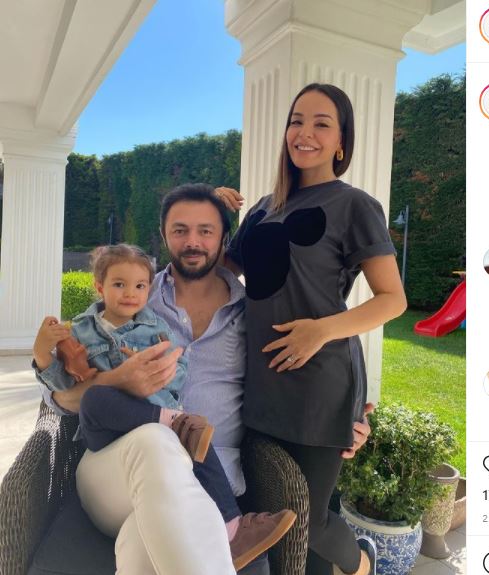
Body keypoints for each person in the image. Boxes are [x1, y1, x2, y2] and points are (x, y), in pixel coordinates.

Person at [36, 184, 373, 574]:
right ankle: (226, 531)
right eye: (180, 230)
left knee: (146, 546)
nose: (192, 241)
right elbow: (57, 399)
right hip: (114, 475)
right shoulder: (132, 299)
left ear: (225, 239)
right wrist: (116, 381)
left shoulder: (253, 315)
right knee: (156, 439)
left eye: (206, 231)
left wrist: (344, 419)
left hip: (213, 488)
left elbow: (299, 383)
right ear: (163, 234)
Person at [218, 83, 407, 575]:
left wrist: (320, 331)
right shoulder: (262, 209)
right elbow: (219, 278)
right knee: (268, 508)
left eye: (322, 124)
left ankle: (362, 564)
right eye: (297, 121)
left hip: (318, 380)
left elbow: (393, 299)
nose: (305, 132)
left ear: (341, 141)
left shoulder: (355, 206)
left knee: (310, 519)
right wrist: (211, 212)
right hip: (259, 380)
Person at [33, 243, 295, 571]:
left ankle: (232, 528)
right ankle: (170, 421)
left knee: (191, 455)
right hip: (106, 441)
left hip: (161, 448)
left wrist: (157, 369)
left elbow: (178, 371)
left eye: (140, 286)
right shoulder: (82, 330)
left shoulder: (156, 328)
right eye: (119, 284)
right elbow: (63, 388)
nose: (130, 293)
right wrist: (45, 357)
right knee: (99, 398)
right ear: (99, 287)